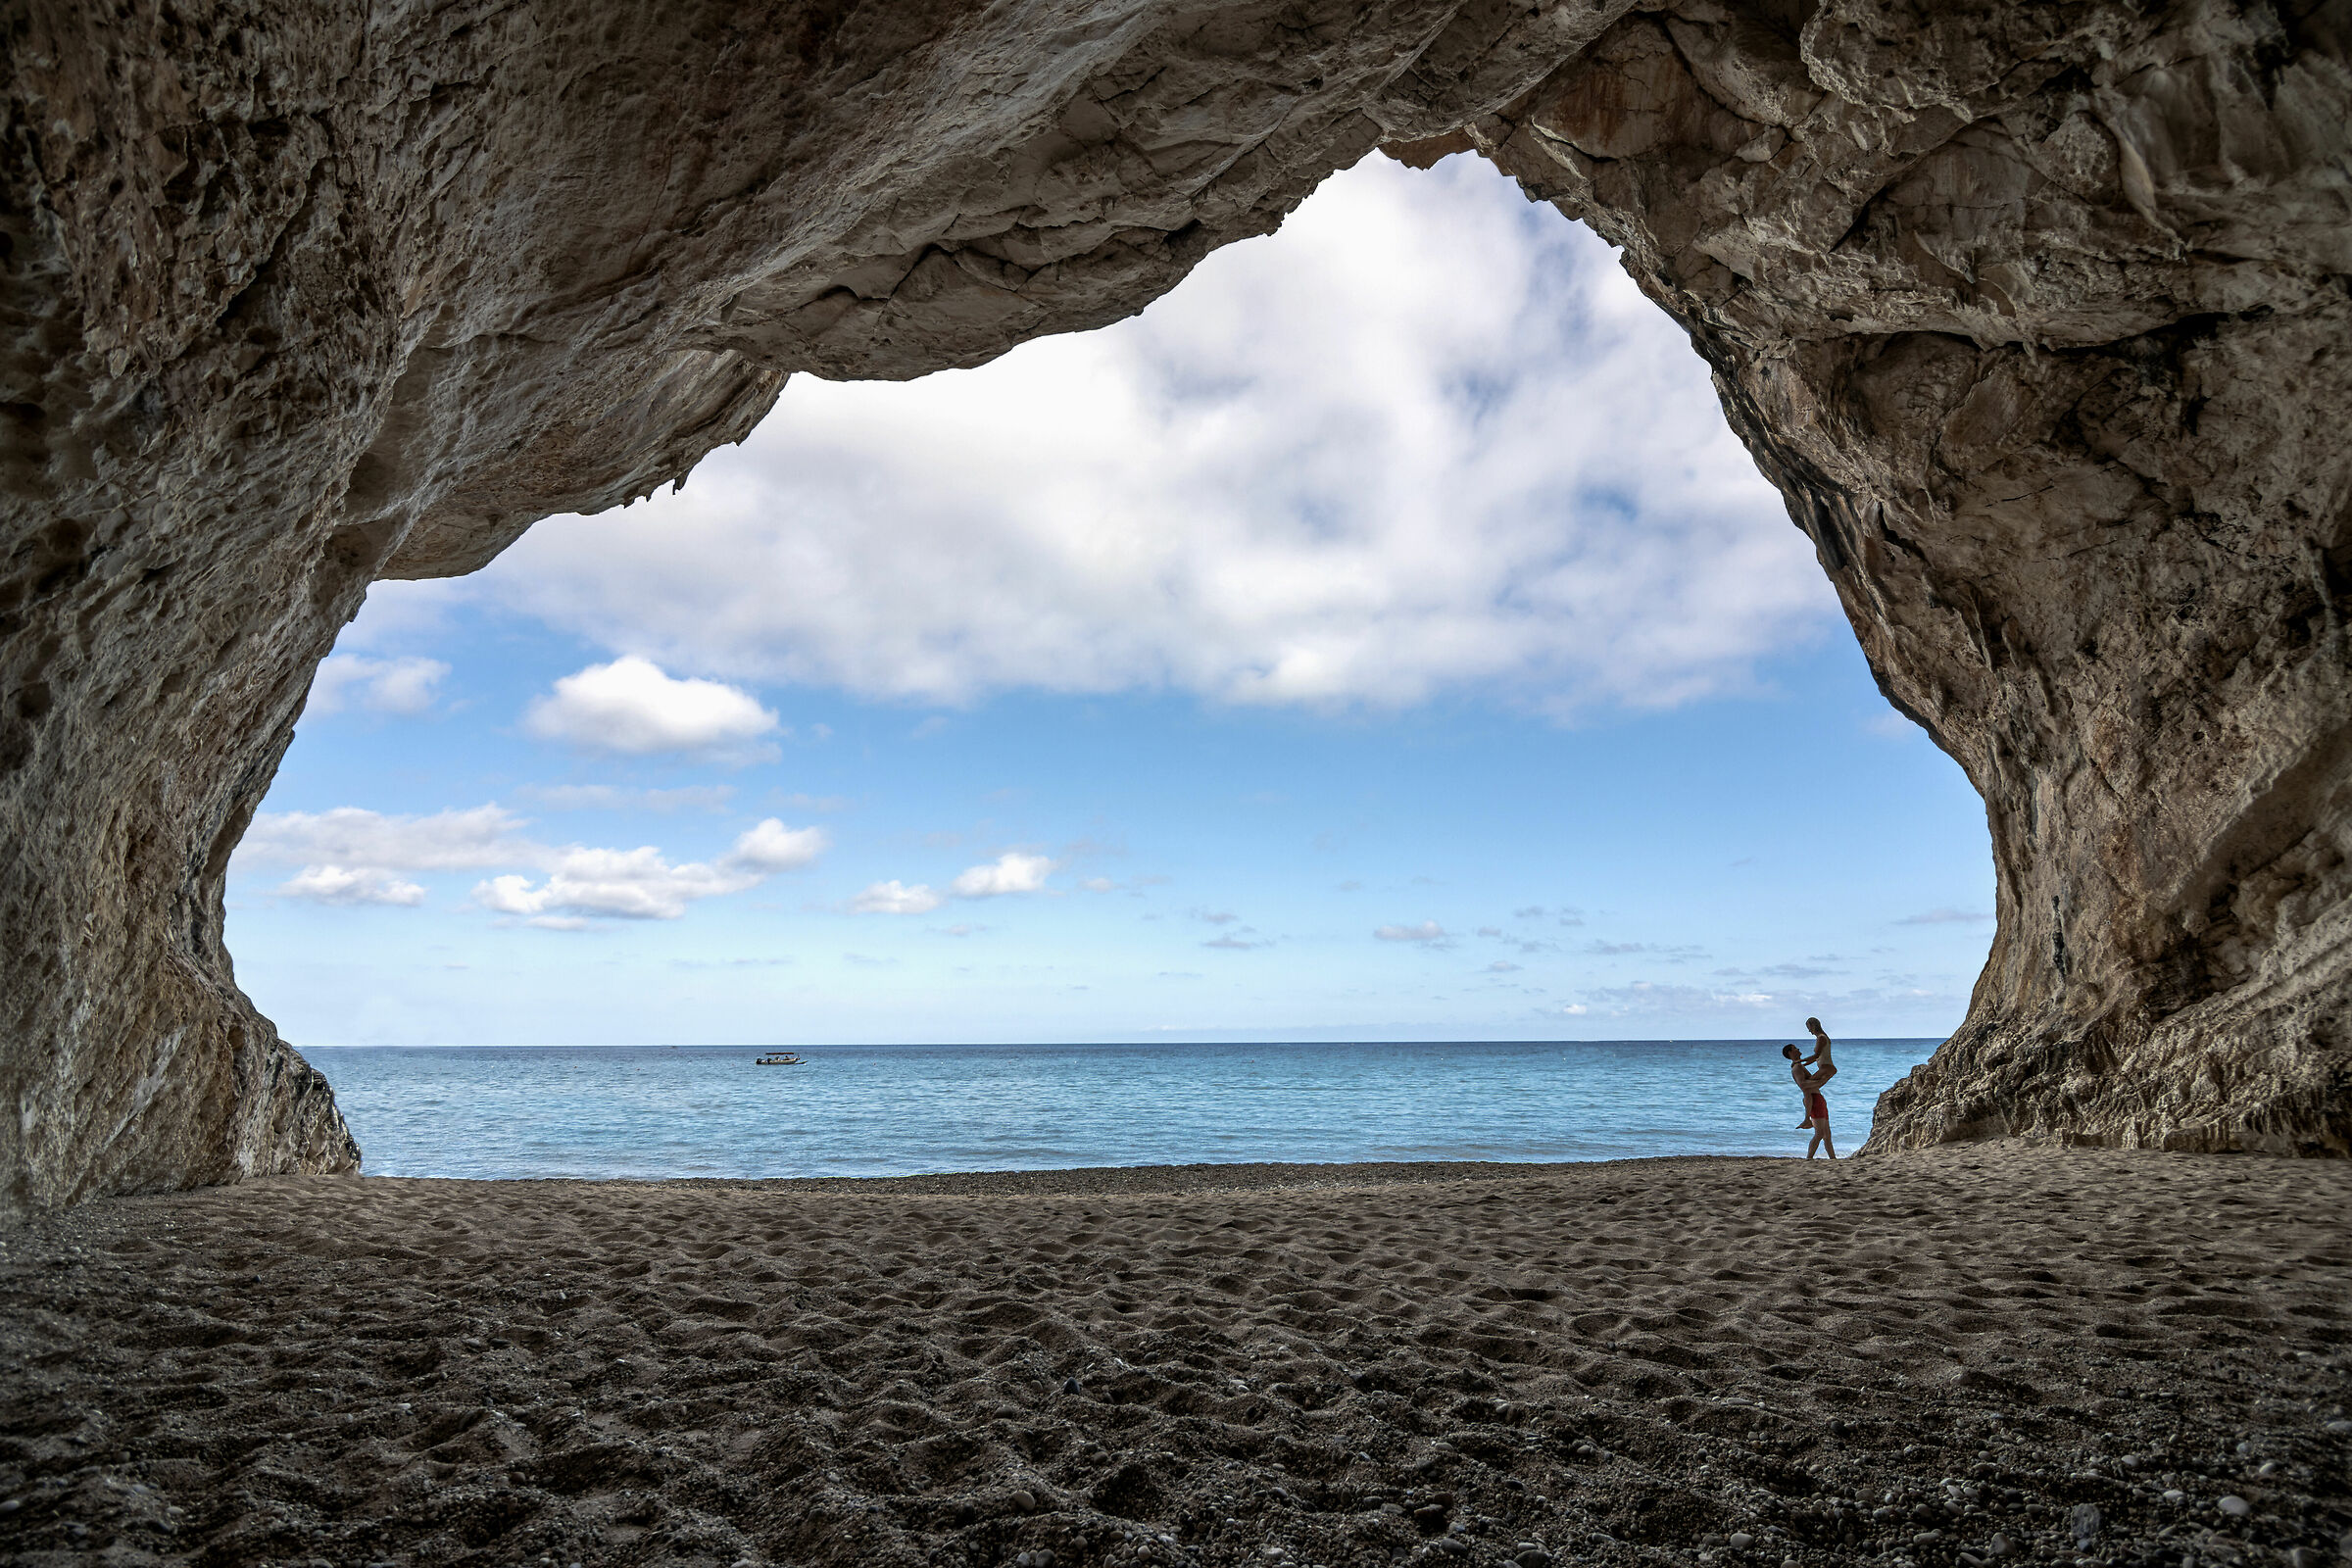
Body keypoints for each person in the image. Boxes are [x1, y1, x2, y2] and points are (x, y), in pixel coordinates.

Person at [1781, 1043, 1838, 1159]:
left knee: (1827, 1134)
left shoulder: (1800, 1066)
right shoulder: (1796, 1068)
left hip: (1818, 1099)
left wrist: (1823, 1080)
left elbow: (1810, 1084)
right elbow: (1803, 1085)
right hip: (1815, 1101)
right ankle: (1809, 1158)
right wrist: (1823, 1081)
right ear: (1790, 1053)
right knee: (1820, 1134)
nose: (1798, 1049)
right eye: (1795, 1048)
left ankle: (1833, 1159)